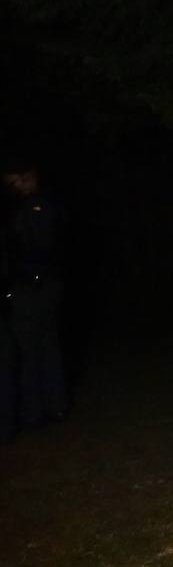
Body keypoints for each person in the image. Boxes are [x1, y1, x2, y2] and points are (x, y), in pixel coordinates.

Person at [1, 158, 67, 432]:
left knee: (31, 351)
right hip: (40, 286)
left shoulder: (35, 209)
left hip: (33, 288)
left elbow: (36, 248)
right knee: (42, 348)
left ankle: (37, 412)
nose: (14, 187)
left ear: (28, 177)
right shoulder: (32, 207)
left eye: (15, 181)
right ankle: (51, 406)